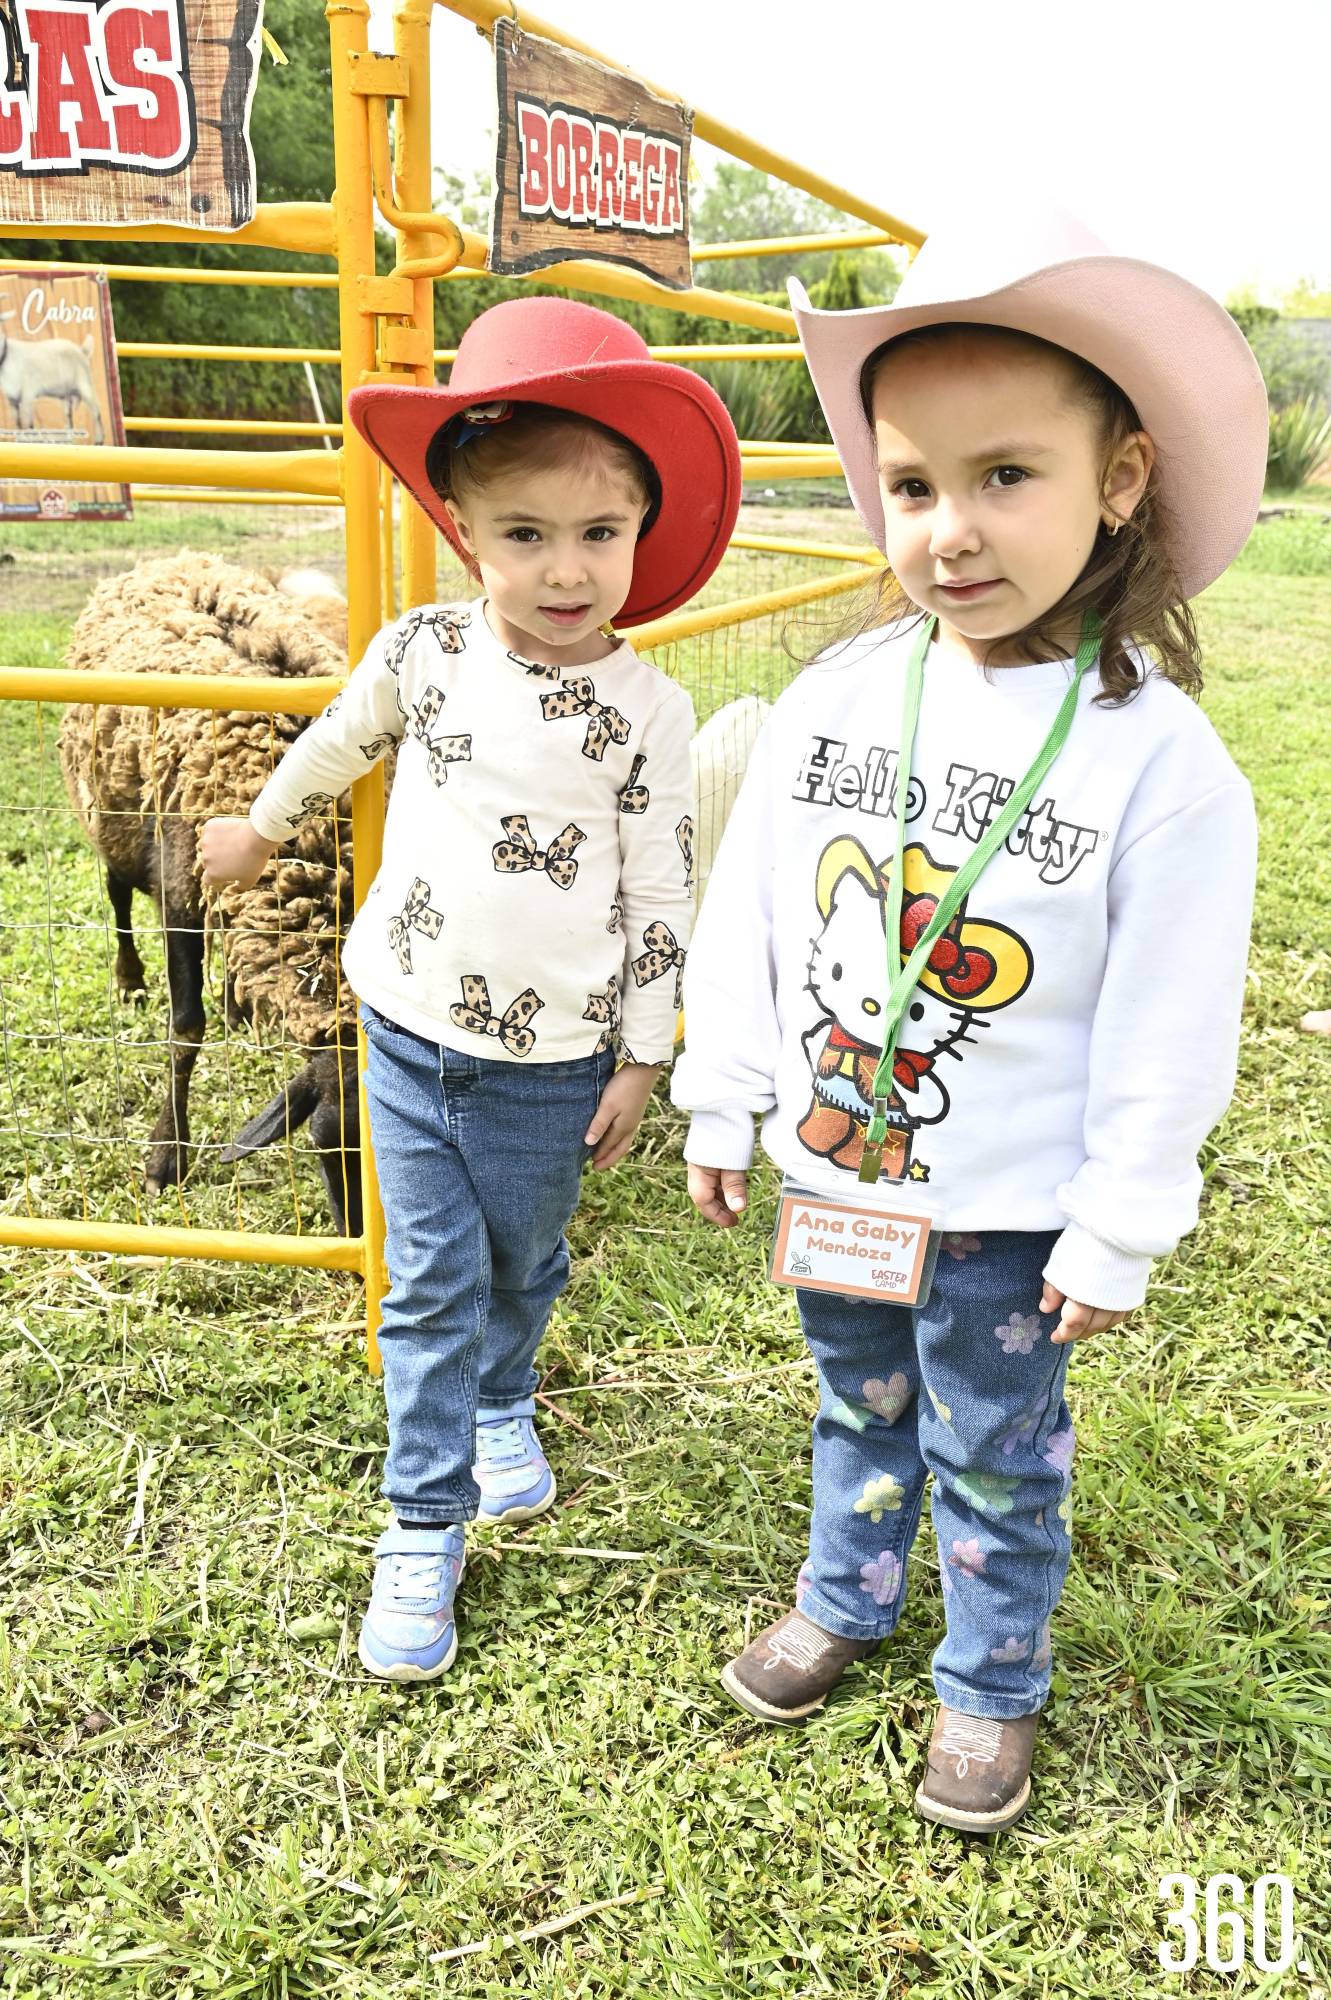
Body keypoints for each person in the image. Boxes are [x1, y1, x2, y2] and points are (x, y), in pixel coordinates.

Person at [672, 206, 1266, 1831]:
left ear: (1120, 479)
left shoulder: (1162, 765)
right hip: (839, 1179)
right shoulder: (838, 698)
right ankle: (847, 1595)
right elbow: (756, 908)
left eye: (1007, 476)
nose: (949, 532)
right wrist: (725, 1090)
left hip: (1008, 1215)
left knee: (997, 1447)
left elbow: (1169, 1024)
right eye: (914, 485)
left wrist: (1121, 1222)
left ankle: (990, 1681)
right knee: (856, 1403)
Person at [202, 297, 740, 1683]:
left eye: (599, 532)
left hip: (556, 1062)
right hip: (404, 1027)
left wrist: (643, 1058)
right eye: (525, 533)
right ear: (463, 530)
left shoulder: (649, 713)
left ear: (642, 526)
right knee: (433, 1282)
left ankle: (507, 1392)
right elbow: (339, 740)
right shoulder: (423, 655)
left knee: (525, 1260)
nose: (566, 570)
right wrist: (259, 825)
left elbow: (661, 891)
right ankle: (423, 1520)